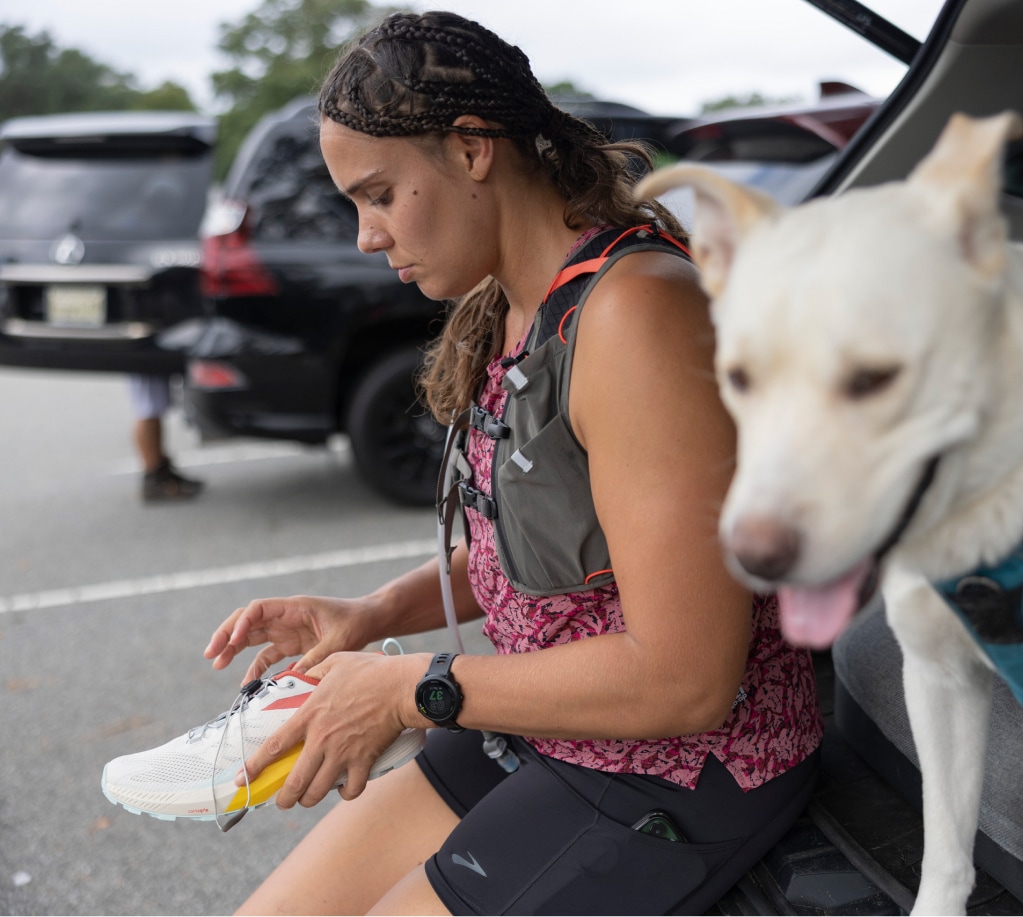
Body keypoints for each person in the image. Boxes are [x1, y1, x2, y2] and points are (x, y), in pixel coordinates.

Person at [201, 11, 823, 914]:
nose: (366, 236)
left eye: (378, 194)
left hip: (677, 770)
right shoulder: (517, 302)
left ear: (471, 148)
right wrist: (373, 616)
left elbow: (685, 676)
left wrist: (411, 689)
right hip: (552, 725)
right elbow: (561, 550)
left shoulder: (634, 313)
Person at [129, 374, 204, 502]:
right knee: (148, 411)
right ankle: (153, 478)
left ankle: (161, 472)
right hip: (143, 365)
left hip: (149, 363)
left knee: (152, 410)